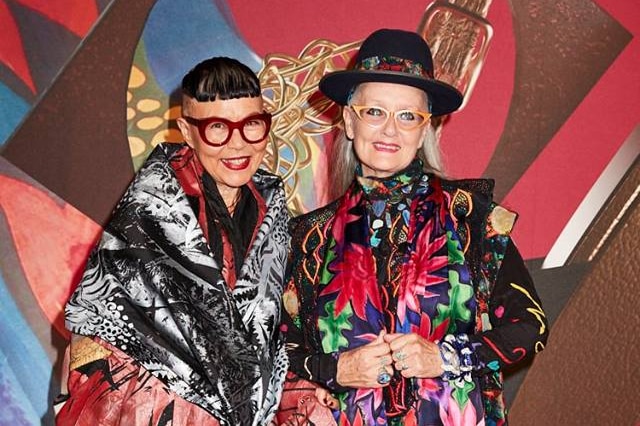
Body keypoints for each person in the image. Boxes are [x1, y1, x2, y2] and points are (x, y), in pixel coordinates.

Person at [277, 29, 549, 425]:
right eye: (375, 112)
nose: (390, 130)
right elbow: (279, 349)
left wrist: (445, 356)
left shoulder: (473, 219)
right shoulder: (309, 238)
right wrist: (334, 369)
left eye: (408, 116)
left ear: (425, 130)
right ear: (350, 122)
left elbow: (530, 326)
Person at [55, 57, 290, 426]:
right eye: (217, 128)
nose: (238, 144)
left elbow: (269, 338)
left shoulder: (271, 208)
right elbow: (94, 331)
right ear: (186, 129)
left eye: (252, 125)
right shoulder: (147, 212)